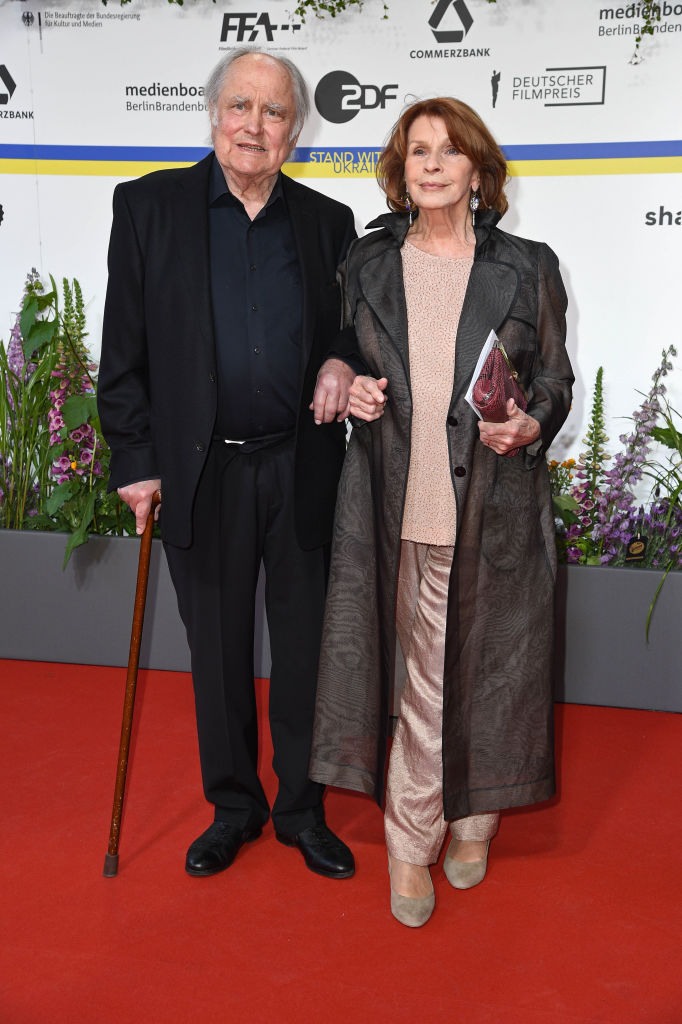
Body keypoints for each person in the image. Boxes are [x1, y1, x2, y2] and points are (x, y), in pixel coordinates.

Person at [309, 97, 574, 925]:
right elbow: (340, 354)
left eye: (448, 150)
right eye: (416, 150)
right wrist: (345, 380)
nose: (430, 163)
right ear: (400, 169)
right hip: (401, 507)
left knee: (496, 676)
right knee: (425, 687)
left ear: (475, 170)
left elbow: (557, 380)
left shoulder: (528, 265)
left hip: (495, 513)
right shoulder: (366, 261)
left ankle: (476, 820)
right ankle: (411, 842)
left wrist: (534, 421)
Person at [98, 49, 358, 881]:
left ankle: (302, 810)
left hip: (299, 468)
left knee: (304, 653)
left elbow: (346, 334)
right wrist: (136, 462)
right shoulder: (148, 208)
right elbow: (123, 353)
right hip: (198, 475)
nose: (255, 125)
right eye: (240, 106)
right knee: (214, 655)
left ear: (296, 129)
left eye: (274, 112)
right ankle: (234, 807)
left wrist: (340, 364)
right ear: (213, 114)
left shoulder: (327, 223)